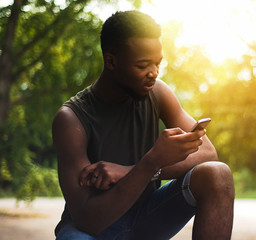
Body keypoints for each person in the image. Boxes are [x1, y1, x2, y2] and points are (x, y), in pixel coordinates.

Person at [52, 10, 234, 240]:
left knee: (218, 174)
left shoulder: (158, 92)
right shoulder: (71, 119)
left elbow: (208, 154)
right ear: (111, 61)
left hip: (148, 217)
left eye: (157, 63)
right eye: (143, 65)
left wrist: (132, 170)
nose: (154, 73)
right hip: (94, 227)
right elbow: (89, 221)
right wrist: (149, 163)